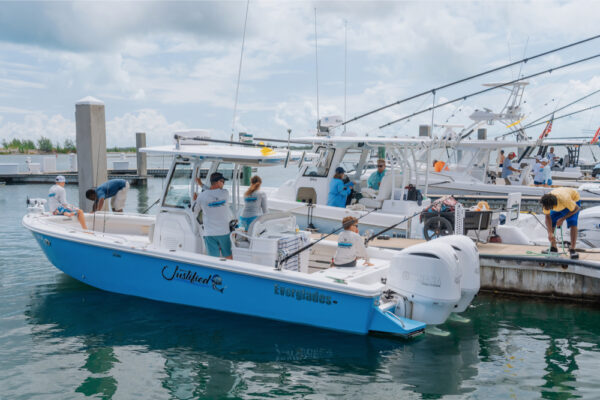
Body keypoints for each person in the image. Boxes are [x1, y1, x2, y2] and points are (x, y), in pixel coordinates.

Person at [193, 172, 233, 259]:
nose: (223, 184)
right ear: (219, 182)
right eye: (223, 181)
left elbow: (195, 211)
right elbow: (212, 192)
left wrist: (196, 200)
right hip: (224, 232)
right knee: (228, 256)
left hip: (209, 233)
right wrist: (201, 184)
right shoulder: (225, 193)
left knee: (213, 260)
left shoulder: (202, 196)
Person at [540, 187, 581, 259]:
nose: (546, 209)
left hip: (573, 200)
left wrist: (562, 219)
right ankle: (553, 248)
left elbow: (576, 208)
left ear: (553, 206)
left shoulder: (565, 199)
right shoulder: (546, 202)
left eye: (548, 208)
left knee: (572, 222)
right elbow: (547, 216)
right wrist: (550, 232)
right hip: (559, 201)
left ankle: (572, 249)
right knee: (551, 221)